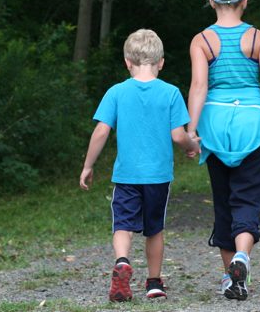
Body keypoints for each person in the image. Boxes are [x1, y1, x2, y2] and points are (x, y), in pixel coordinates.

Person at [186, 0, 260, 301]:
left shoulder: (202, 41)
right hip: (251, 123)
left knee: (223, 201)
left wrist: (192, 131)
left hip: (215, 125)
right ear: (245, 1)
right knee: (247, 197)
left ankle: (232, 278)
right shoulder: (257, 38)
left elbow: (198, 87)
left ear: (211, 1)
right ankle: (242, 258)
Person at [79, 29, 200, 302]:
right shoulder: (170, 93)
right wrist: (192, 146)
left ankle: (122, 261)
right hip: (158, 176)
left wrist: (88, 165)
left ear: (127, 62)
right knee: (154, 229)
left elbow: (101, 131)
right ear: (161, 62)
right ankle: (154, 282)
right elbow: (178, 135)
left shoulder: (116, 92)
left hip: (126, 175)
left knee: (122, 224)